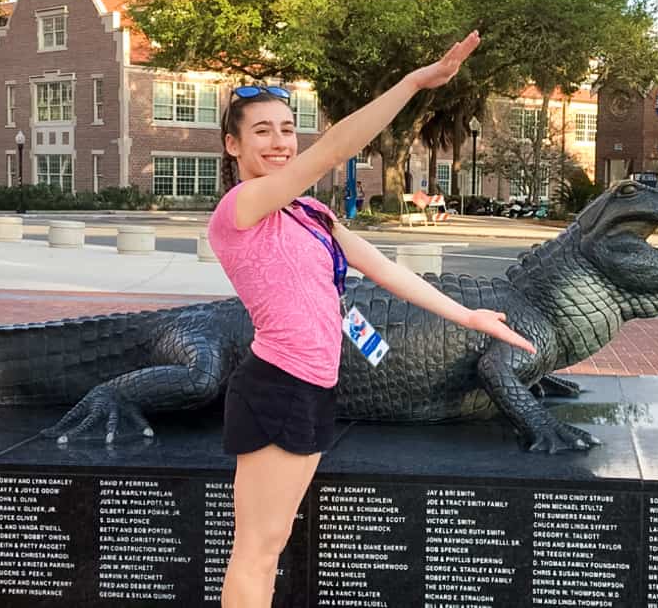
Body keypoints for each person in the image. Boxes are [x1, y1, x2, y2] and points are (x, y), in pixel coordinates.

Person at [208, 31, 535, 608]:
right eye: (262, 131)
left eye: (287, 129)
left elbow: (382, 268)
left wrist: (466, 315)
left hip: (314, 385)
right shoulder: (240, 208)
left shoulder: (309, 211)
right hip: (276, 387)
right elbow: (333, 150)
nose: (280, 142)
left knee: (273, 542)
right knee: (256, 550)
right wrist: (412, 83)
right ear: (233, 145)